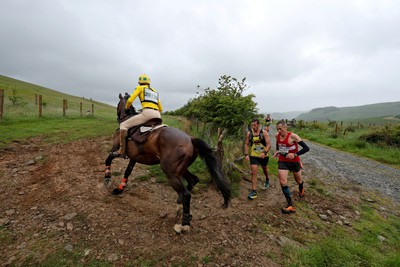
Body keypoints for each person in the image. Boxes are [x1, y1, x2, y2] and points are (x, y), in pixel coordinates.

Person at [114, 74, 163, 157]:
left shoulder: (139, 88)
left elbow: (130, 100)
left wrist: (126, 108)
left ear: (139, 82)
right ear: (148, 82)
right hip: (158, 114)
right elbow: (161, 108)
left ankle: (122, 150)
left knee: (123, 125)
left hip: (147, 113)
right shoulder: (154, 91)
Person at [273, 120, 309, 214]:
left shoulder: (293, 136)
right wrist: (277, 151)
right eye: (277, 129)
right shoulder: (277, 136)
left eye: (280, 129)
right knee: (283, 182)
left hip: (294, 161)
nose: (279, 131)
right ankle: (290, 205)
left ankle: (301, 188)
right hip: (283, 161)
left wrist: (295, 154)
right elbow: (278, 145)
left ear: (286, 128)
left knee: (298, 180)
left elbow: (306, 148)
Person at [244, 118, 271, 200]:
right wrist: (246, 154)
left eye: (254, 125)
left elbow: (269, 144)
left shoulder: (264, 133)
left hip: (263, 156)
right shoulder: (249, 134)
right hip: (253, 155)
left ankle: (267, 178)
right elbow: (246, 144)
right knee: (254, 172)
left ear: (258, 125)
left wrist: (264, 152)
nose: (253, 127)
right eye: (252, 125)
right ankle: (254, 191)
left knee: (265, 169)